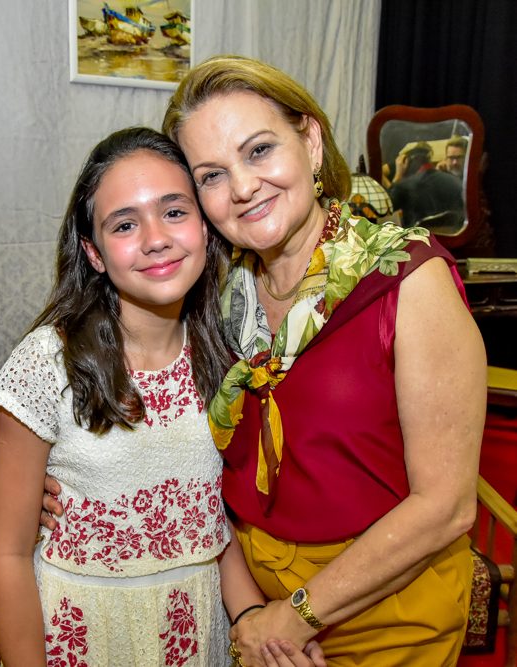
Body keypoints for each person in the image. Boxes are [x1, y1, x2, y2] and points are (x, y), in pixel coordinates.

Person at [39, 55, 488, 667]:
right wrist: (68, 471)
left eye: (258, 151)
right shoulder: (218, 294)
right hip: (251, 602)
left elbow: (447, 506)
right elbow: (169, 427)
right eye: (212, 176)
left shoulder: (408, 279)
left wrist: (295, 615)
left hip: (387, 609)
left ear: (309, 137)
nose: (244, 187)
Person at [0, 126, 323, 667]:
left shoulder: (232, 350)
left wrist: (250, 619)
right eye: (124, 224)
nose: (155, 238)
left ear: (207, 227)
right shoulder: (48, 362)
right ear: (94, 253)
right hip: (83, 632)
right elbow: (5, 552)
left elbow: (215, 521)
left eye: (173, 211)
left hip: (196, 631)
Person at [387, 141, 465, 228]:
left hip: (417, 239)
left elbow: (385, 208)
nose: (454, 162)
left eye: (459, 157)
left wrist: (397, 176)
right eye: (451, 158)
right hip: (451, 237)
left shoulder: (403, 187)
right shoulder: (455, 182)